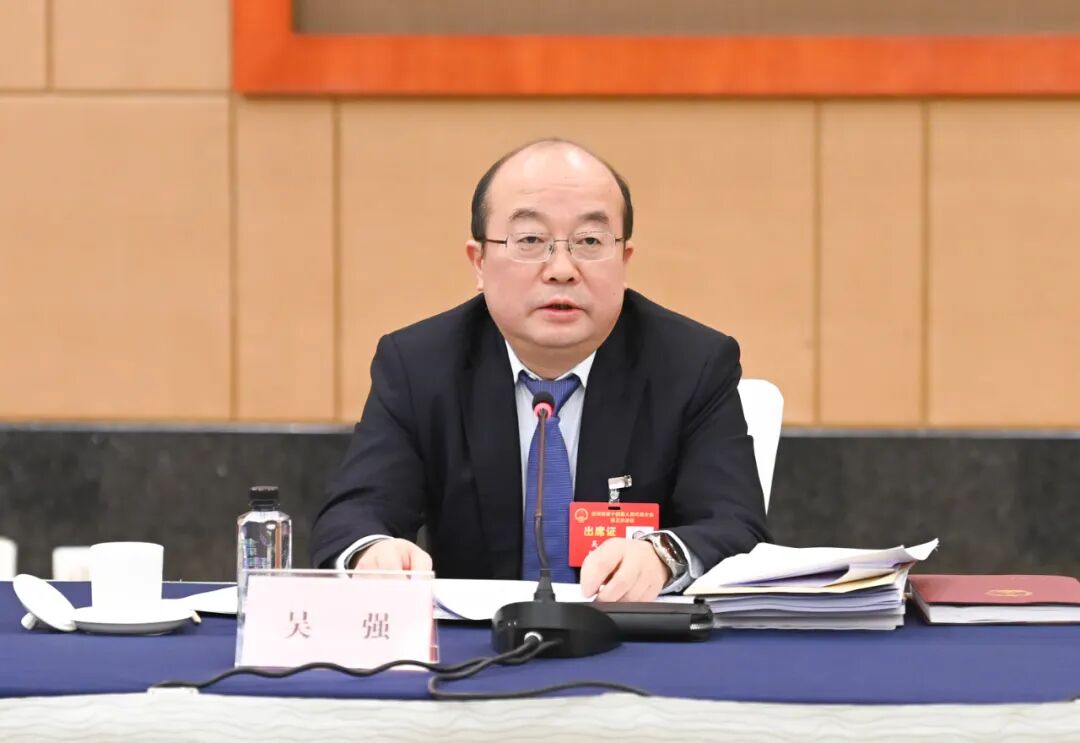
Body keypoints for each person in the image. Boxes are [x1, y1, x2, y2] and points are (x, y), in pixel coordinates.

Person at [311, 138, 769, 602]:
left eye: (590, 241)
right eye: (530, 241)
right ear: (479, 262)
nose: (562, 269)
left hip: (632, 635)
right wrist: (373, 553)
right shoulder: (419, 365)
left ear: (624, 261)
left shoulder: (692, 364)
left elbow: (737, 525)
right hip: (475, 640)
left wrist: (662, 557)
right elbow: (354, 515)